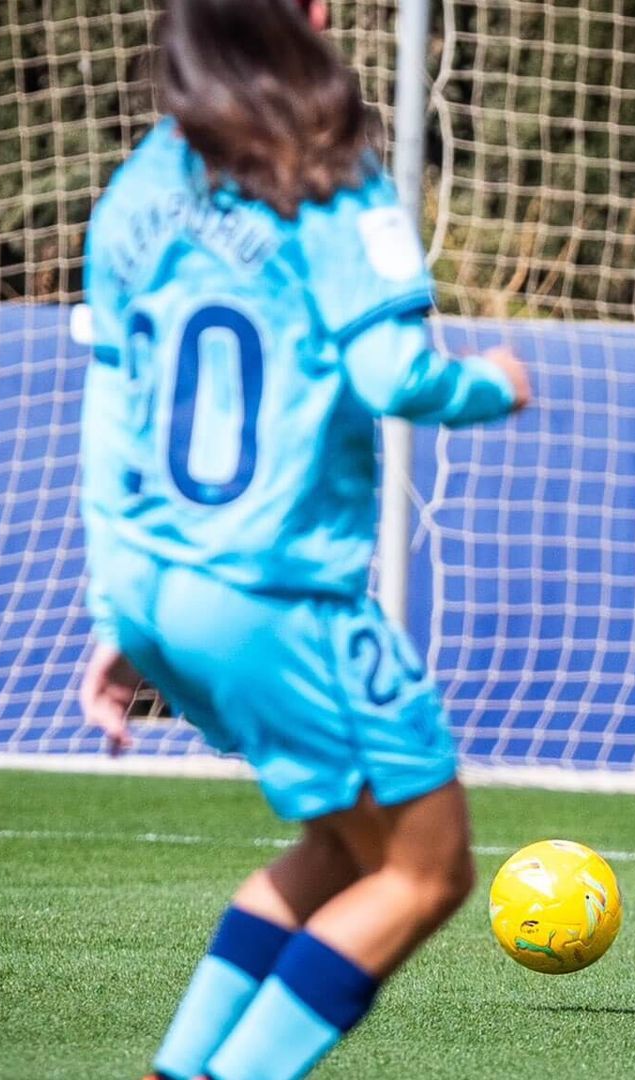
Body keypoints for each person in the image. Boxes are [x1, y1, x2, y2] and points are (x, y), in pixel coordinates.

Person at [74, 2, 531, 1077]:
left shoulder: (136, 188)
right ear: (307, 18)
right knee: (428, 870)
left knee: (339, 846)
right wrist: (492, 386)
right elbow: (393, 377)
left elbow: (109, 419)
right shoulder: (323, 167)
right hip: (280, 593)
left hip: (157, 584)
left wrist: (117, 613)